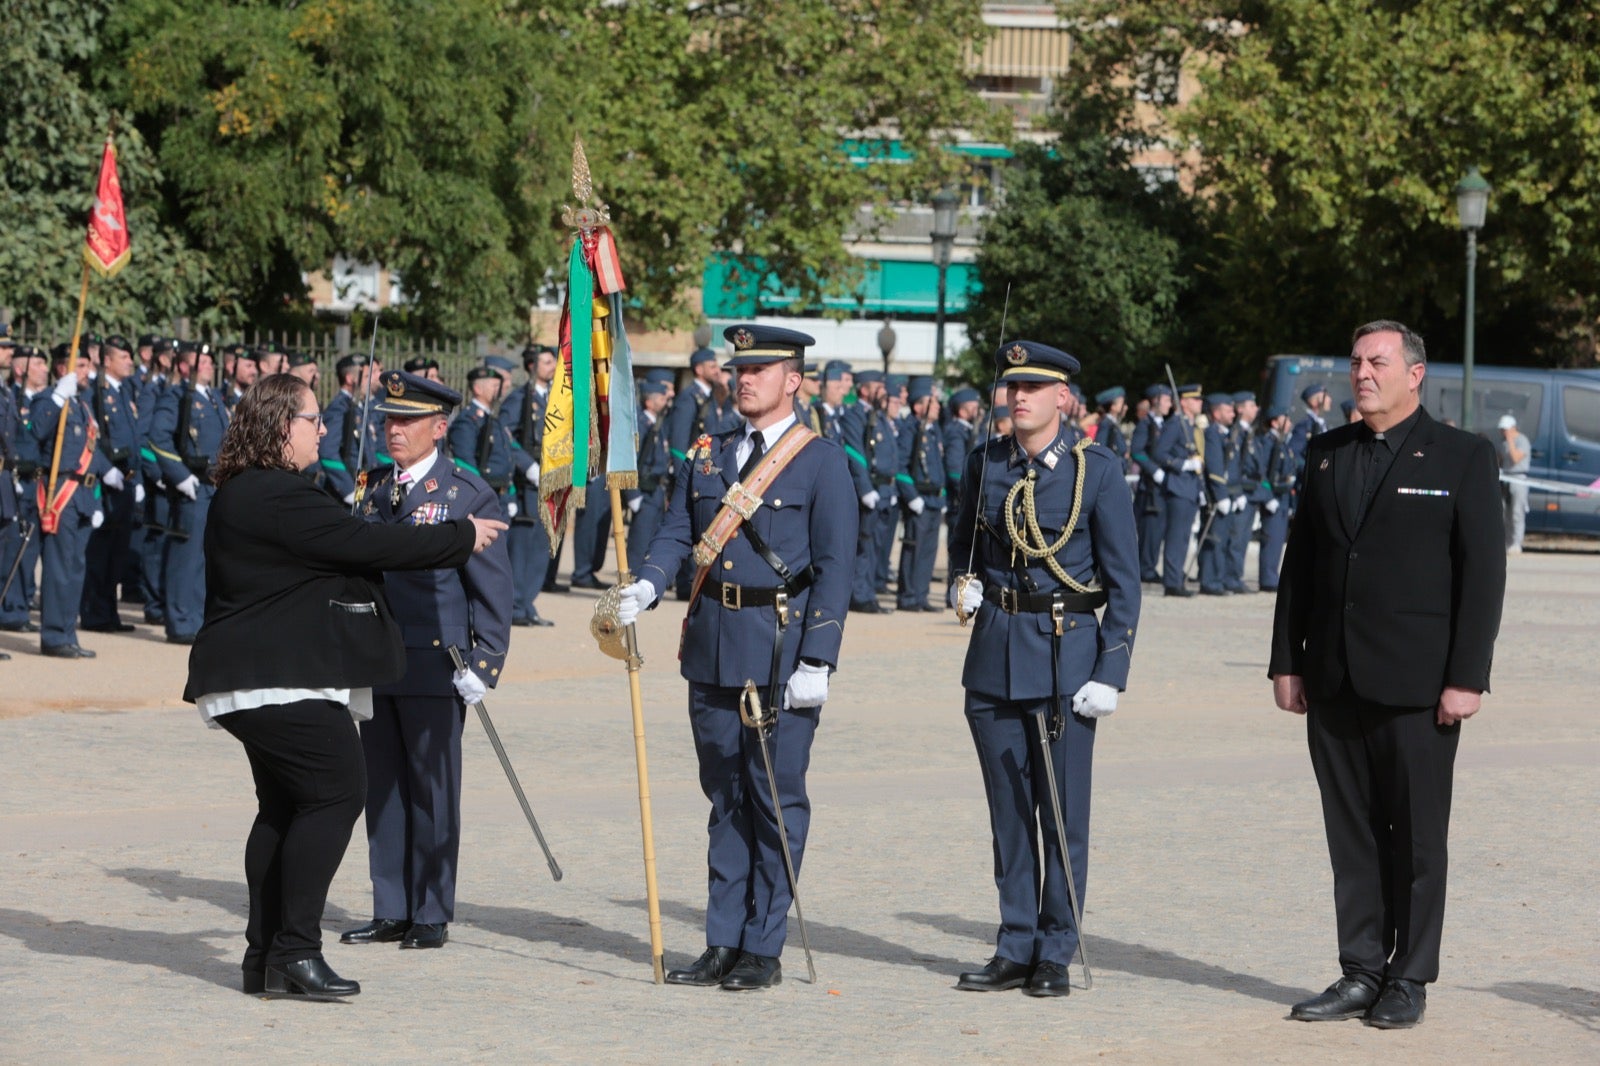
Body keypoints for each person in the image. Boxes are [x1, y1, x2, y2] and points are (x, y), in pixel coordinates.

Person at [182, 373, 506, 1000]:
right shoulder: (281, 494)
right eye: (312, 419)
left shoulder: (250, 490)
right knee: (337, 794)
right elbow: (367, 542)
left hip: (258, 678)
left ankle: (267, 959)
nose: (323, 429)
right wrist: (461, 536)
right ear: (283, 429)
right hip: (278, 678)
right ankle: (298, 950)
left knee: (283, 808)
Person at [1270, 320, 1505, 1030]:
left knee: (1418, 840)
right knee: (1353, 836)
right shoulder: (1325, 452)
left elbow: (1483, 575)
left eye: (1377, 361)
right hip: (1334, 678)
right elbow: (1301, 567)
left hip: (1419, 686)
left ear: (1415, 373)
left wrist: (1467, 677)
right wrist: (1287, 660)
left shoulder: (1462, 456)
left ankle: (1409, 975)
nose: (1362, 372)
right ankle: (1360, 968)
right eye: (1355, 362)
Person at [615, 324, 857, 992]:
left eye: (760, 369)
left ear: (793, 380)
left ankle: (763, 944)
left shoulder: (821, 460)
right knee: (724, 796)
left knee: (773, 799)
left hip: (779, 648)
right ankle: (722, 938)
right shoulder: (709, 451)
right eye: (738, 369)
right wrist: (649, 581)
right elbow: (677, 531)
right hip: (713, 643)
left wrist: (819, 659)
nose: (743, 378)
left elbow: (836, 569)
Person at [948, 340, 1140, 998]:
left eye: (1033, 386)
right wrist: (960, 586)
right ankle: (1016, 942)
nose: (1018, 396)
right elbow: (962, 546)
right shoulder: (986, 463)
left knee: (1059, 814)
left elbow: (1125, 582)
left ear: (1064, 398)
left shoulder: (1097, 471)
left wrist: (1111, 671)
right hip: (995, 655)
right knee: (1008, 815)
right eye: (1011, 386)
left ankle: (1056, 947)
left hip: (1065, 657)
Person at [341, 371, 513, 952]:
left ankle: (431, 910)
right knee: (383, 787)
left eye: (407, 421)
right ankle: (390, 905)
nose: (394, 430)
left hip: (438, 659)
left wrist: (485, 662)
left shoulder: (465, 493)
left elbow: (492, 588)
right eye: (389, 419)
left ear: (439, 428)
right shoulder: (370, 487)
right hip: (378, 659)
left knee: (432, 790)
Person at [31, 345, 113, 658]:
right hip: (60, 492)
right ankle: (53, 636)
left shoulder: (81, 406)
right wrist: (56, 398)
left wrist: (109, 475)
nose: (87, 371)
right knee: (58, 568)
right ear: (61, 369)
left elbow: (90, 449)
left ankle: (68, 632)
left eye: (88, 364)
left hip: (82, 495)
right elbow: (36, 431)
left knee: (76, 568)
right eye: (79, 365)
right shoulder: (51, 400)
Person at [149, 342, 229, 645]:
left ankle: (197, 618)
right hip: (192, 487)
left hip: (213, 485)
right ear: (185, 366)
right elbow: (157, 438)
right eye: (203, 360)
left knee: (204, 558)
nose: (210, 365)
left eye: (210, 360)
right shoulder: (177, 396)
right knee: (186, 557)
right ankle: (180, 620)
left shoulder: (212, 398)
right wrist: (180, 476)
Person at [81, 335, 142, 632]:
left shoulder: (122, 390)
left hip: (126, 482)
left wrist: (137, 478)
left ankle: (109, 611)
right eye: (123, 357)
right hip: (105, 483)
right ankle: (94, 612)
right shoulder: (97, 392)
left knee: (118, 551)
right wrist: (105, 470)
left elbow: (133, 438)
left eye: (130, 357)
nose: (130, 362)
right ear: (107, 361)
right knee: (100, 551)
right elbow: (93, 438)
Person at [499, 345, 557, 625]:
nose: (553, 365)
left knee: (542, 546)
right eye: (546, 362)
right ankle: (515, 606)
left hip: (552, 480)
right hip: (529, 482)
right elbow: (505, 437)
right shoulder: (519, 399)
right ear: (532, 365)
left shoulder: (556, 399)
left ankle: (527, 602)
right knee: (522, 547)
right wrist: (528, 466)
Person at [840, 369, 898, 612]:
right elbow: (855, 452)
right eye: (878, 386)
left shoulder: (879, 416)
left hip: (884, 489)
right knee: (864, 545)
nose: (883, 391)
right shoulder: (855, 415)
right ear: (864, 389)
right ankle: (860, 595)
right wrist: (865, 488)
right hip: (869, 489)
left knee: (877, 545)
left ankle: (869, 590)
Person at [896, 377, 945, 612]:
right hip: (919, 498)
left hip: (934, 499)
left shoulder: (933, 431)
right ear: (918, 406)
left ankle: (921, 595)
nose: (937, 406)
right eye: (931, 401)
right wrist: (911, 495)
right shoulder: (909, 429)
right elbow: (901, 466)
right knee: (914, 549)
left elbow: (938, 465)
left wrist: (942, 494)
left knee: (928, 552)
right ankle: (908, 596)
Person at [1153, 383, 1206, 597]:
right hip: (1178, 487)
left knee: (1184, 537)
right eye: (1195, 399)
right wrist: (1181, 464)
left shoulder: (1191, 425)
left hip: (1190, 487)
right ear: (1183, 402)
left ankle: (1177, 579)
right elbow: (1159, 453)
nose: (1200, 403)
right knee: (1176, 537)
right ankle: (1172, 583)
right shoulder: (1176, 424)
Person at [623, 378, 673, 566]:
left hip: (656, 490)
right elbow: (631, 459)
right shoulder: (642, 425)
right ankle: (633, 577)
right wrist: (632, 494)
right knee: (640, 541)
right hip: (644, 490)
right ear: (649, 402)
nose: (664, 401)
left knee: (653, 539)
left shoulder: (657, 424)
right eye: (661, 398)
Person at [1129, 384, 1172, 584]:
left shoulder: (1164, 425)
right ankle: (1145, 568)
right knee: (1149, 530)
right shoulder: (1145, 424)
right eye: (1166, 400)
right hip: (1149, 487)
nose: (1169, 404)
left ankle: (1150, 565)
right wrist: (1154, 471)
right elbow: (1137, 451)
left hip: (1162, 487)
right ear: (1156, 401)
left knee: (1158, 530)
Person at [1254, 405, 1297, 592]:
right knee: (1271, 539)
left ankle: (1272, 576)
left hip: (1283, 497)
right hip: (1273, 497)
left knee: (1278, 540)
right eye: (1284, 419)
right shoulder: (1268, 442)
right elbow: (1262, 473)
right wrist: (1268, 496)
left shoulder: (1282, 442)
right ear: (1274, 422)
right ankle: (1268, 579)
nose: (1289, 423)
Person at [1495, 414, 1530, 553]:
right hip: (1505, 478)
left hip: (1518, 479)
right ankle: (1507, 542)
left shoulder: (1522, 441)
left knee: (1517, 512)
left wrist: (1510, 440)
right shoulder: (1502, 442)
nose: (1503, 432)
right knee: (1504, 512)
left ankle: (1516, 542)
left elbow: (1515, 458)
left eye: (1505, 429)